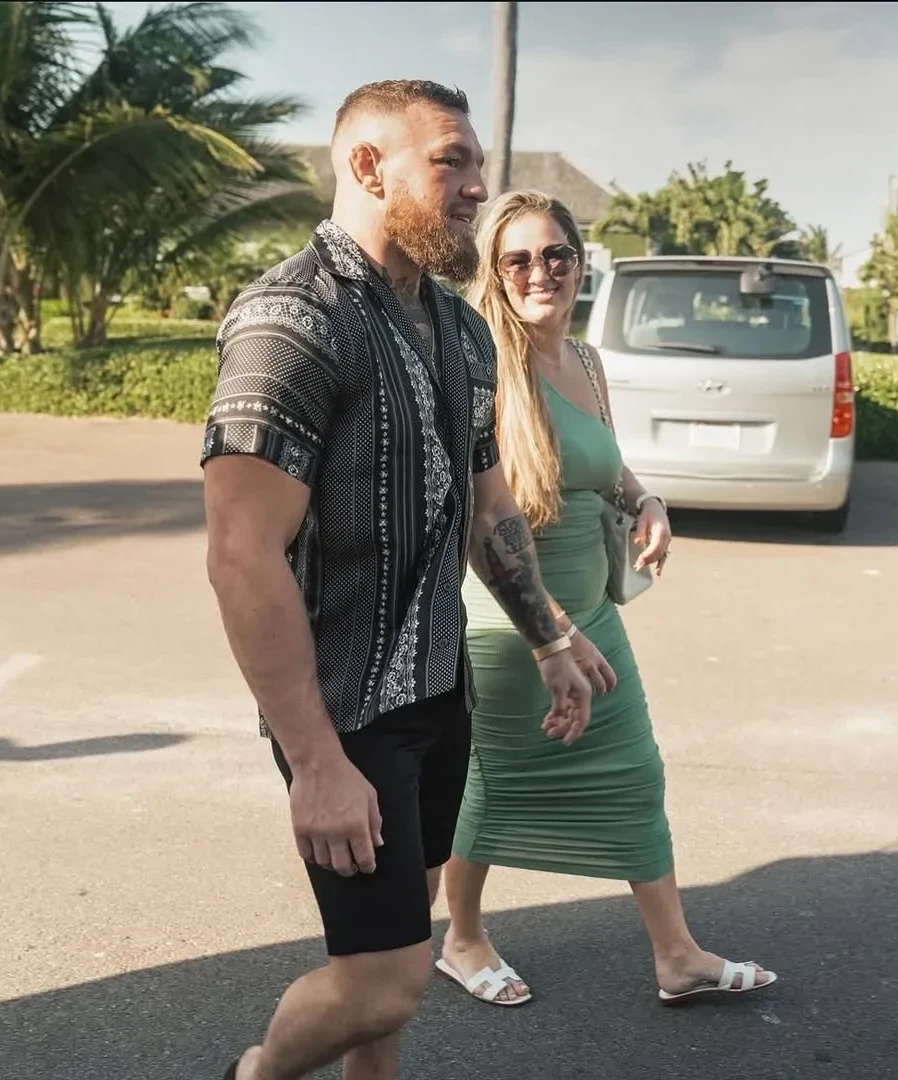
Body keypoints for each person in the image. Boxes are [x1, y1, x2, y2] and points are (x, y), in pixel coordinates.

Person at [202, 86, 600, 1080]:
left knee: (397, 944)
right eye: (451, 161)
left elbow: (489, 509)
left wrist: (549, 637)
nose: (477, 188)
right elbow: (242, 553)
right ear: (369, 167)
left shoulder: (459, 330)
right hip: (347, 715)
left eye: (478, 166)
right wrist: (316, 760)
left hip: (439, 690)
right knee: (385, 982)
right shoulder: (293, 320)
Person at [437, 190, 779, 1008]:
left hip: (594, 611)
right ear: (494, 270)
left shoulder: (587, 363)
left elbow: (607, 466)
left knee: (634, 770)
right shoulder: (484, 368)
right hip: (512, 623)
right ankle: (462, 938)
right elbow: (482, 523)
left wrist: (647, 499)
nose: (540, 272)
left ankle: (677, 956)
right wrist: (551, 633)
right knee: (494, 783)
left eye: (557, 254)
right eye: (518, 259)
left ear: (581, 263)